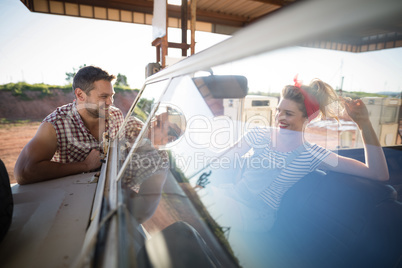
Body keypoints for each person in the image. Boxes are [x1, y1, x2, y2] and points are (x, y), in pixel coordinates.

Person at [210, 77, 389, 232]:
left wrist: (364, 124)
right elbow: (222, 159)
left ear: (306, 119)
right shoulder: (258, 134)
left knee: (200, 209)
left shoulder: (312, 155)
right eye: (278, 110)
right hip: (231, 196)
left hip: (257, 215)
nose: (279, 117)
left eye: (288, 113)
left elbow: (378, 173)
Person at [14, 66, 124, 185]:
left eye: (111, 95)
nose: (110, 102)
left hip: (112, 189)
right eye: (103, 97)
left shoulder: (116, 115)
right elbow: (24, 172)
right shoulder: (56, 123)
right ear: (80, 95)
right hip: (71, 195)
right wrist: (85, 165)